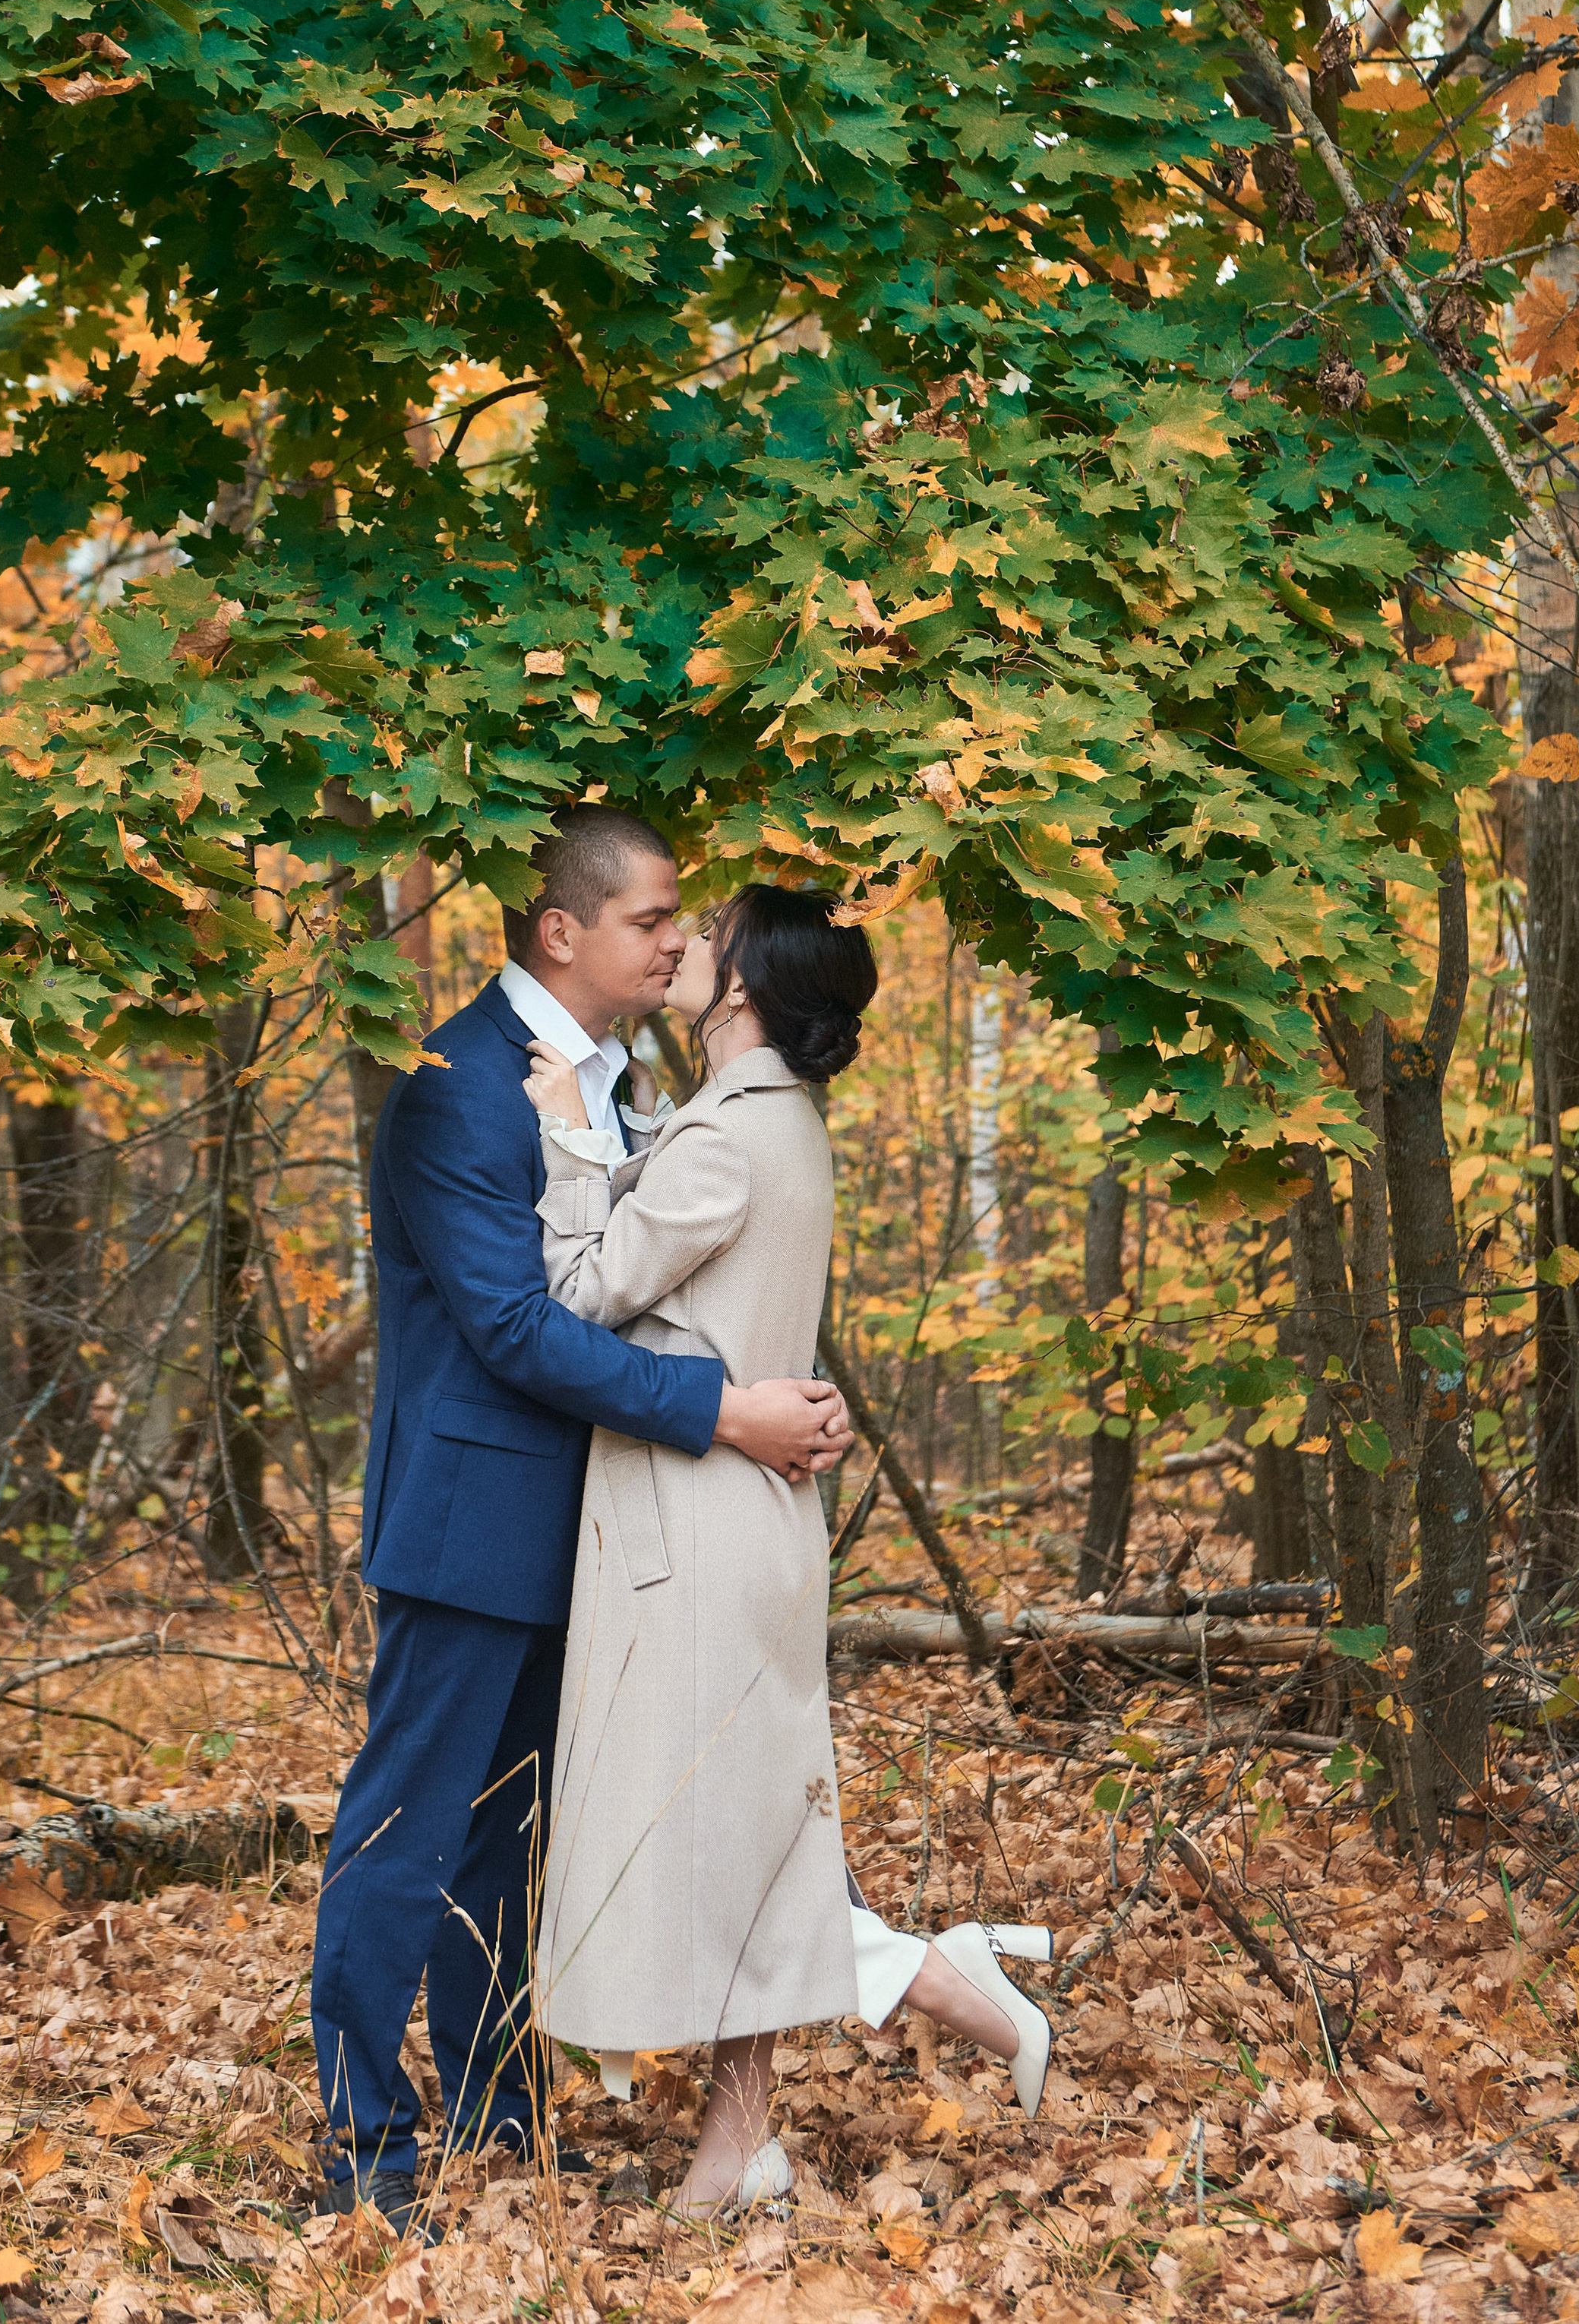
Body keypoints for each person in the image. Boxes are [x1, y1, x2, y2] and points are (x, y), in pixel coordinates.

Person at [308, 815, 854, 2230]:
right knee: (406, 1835)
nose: (678, 940)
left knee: (508, 1840)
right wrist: (722, 1409)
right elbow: (512, 1323)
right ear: (563, 930)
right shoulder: (457, 1087)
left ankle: (497, 2113)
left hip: (596, 1535)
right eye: (653, 917)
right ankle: (368, 2154)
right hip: (468, 1521)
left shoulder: (613, 1085)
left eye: (684, 922)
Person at [524, 886, 1054, 2220]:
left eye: (704, 932)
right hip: (733, 1522)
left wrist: (576, 1138)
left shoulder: (731, 1143)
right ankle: (790, 2096)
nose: (683, 944)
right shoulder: (763, 1126)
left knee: (724, 1835)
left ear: (747, 982)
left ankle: (806, 2084)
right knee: (737, 1831)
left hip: (698, 1531)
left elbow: (582, 1292)